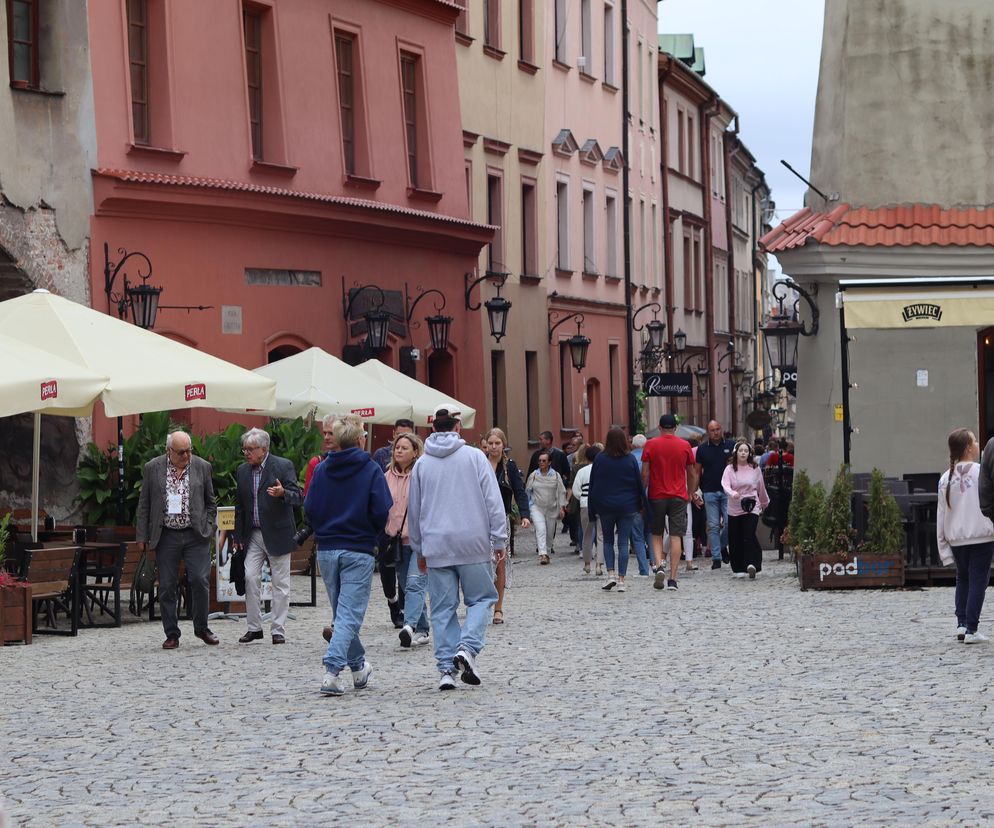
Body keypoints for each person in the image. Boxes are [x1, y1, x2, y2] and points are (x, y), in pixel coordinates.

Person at [408, 405, 505, 691]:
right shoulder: (475, 457)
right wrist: (498, 539)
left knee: (442, 609)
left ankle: (446, 671)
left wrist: (419, 549)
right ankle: (468, 648)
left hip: (436, 545)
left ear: (432, 431)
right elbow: (493, 501)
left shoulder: (423, 464)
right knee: (483, 598)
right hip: (472, 542)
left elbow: (414, 512)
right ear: (457, 428)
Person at [305, 415, 392, 695]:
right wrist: (370, 531)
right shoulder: (370, 469)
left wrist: (324, 528)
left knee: (342, 614)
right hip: (358, 547)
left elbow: (310, 508)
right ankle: (331, 671)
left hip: (328, 549)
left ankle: (358, 669)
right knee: (348, 616)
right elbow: (381, 509)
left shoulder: (322, 468)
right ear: (359, 439)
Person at [135, 430, 218, 649]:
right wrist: (142, 536)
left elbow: (211, 503)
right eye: (181, 452)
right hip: (167, 534)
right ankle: (171, 633)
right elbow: (144, 504)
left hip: (195, 533)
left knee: (200, 580)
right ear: (169, 451)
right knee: (167, 586)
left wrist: (209, 526)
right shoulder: (153, 468)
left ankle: (202, 628)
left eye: (189, 450)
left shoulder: (202, 467)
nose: (186, 456)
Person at [233, 427, 303, 645]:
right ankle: (254, 627)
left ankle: (278, 629)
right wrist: (237, 535)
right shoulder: (242, 471)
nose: (247, 453)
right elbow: (239, 506)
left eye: (251, 449)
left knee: (280, 583)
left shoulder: (282, 466)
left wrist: (283, 494)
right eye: (244, 449)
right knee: (249, 577)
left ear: (264, 450)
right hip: (253, 534)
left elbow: (298, 497)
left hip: (278, 531)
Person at [946, 428, 994, 643]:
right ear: (968, 447)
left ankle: (961, 623)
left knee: (962, 578)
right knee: (978, 581)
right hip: (981, 534)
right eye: (975, 441)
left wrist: (944, 544)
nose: (978, 445)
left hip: (956, 537)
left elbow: (941, 514)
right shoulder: (979, 471)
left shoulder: (945, 478)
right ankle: (972, 629)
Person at [642, 414, 700, 591]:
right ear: (675, 428)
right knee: (676, 536)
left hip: (656, 495)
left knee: (657, 533)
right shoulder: (685, 445)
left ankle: (659, 565)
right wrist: (690, 492)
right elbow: (691, 473)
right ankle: (673, 579)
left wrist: (642, 493)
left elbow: (645, 473)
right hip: (678, 495)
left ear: (660, 428)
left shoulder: (650, 444)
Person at [386, 433, 431, 649]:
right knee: (406, 585)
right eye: (397, 447)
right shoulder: (387, 476)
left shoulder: (421, 474)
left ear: (415, 452)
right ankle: (423, 629)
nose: (399, 451)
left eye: (405, 448)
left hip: (420, 541)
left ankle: (409, 626)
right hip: (396, 541)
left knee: (415, 583)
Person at [588, 427, 645, 592]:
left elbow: (594, 485)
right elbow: (638, 484)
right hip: (627, 506)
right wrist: (641, 505)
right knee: (623, 543)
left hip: (606, 506)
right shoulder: (630, 459)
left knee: (607, 540)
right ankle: (621, 580)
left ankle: (611, 574)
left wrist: (594, 507)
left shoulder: (600, 459)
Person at [484, 427, 530, 625]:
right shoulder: (480, 464)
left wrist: (524, 515)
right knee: (482, 564)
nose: (494, 447)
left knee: (500, 562)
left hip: (501, 519)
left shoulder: (509, 466)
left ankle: (498, 608)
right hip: (479, 520)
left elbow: (519, 491)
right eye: (491, 443)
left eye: (497, 443)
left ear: (503, 445)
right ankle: (481, 603)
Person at [721, 441, 770, 579]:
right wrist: (732, 493)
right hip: (735, 507)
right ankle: (738, 567)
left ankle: (752, 564)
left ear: (749, 454)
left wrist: (764, 502)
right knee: (735, 537)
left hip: (751, 505)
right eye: (741, 450)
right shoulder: (729, 469)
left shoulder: (755, 468)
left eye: (746, 451)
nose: (743, 453)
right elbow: (724, 484)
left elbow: (761, 486)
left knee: (748, 534)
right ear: (736, 452)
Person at [696, 420, 735, 569]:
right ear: (708, 432)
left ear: (722, 429)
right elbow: (697, 471)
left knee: (729, 522)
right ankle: (716, 558)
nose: (716, 432)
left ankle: (723, 545)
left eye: (718, 429)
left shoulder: (731, 446)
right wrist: (696, 491)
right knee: (712, 526)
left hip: (727, 491)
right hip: (709, 490)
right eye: (712, 430)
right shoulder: (702, 449)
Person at [525, 450, 567, 564]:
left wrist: (562, 507)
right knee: (541, 529)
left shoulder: (556, 475)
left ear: (549, 462)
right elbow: (528, 491)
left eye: (544, 461)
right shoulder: (534, 475)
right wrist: (527, 507)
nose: (541, 463)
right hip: (536, 507)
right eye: (539, 461)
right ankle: (543, 554)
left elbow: (561, 491)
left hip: (552, 508)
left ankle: (547, 549)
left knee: (550, 532)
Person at [572, 444, 603, 575]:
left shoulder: (582, 471)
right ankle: (599, 565)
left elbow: (575, 490)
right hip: (601, 504)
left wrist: (583, 497)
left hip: (585, 503)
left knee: (587, 535)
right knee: (601, 535)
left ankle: (587, 563)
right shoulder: (603, 470)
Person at [628, 434, 652, 576]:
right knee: (651, 533)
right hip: (652, 499)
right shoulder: (650, 457)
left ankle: (644, 569)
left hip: (634, 501)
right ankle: (655, 565)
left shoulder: (629, 459)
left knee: (637, 536)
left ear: (633, 445)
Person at [304, 414, 338, 496]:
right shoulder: (316, 462)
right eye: (324, 433)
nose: (326, 437)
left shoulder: (351, 461)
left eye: (331, 433)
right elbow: (307, 496)